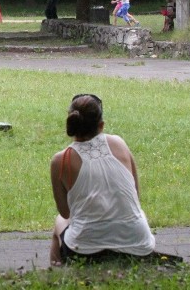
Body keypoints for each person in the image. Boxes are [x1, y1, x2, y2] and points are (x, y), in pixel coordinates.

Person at [49, 94, 155, 265]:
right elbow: (136, 194)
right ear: (101, 125)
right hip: (138, 243)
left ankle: (57, 274)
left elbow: (65, 212)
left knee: (60, 221)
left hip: (84, 249)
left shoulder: (60, 160)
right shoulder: (119, 143)